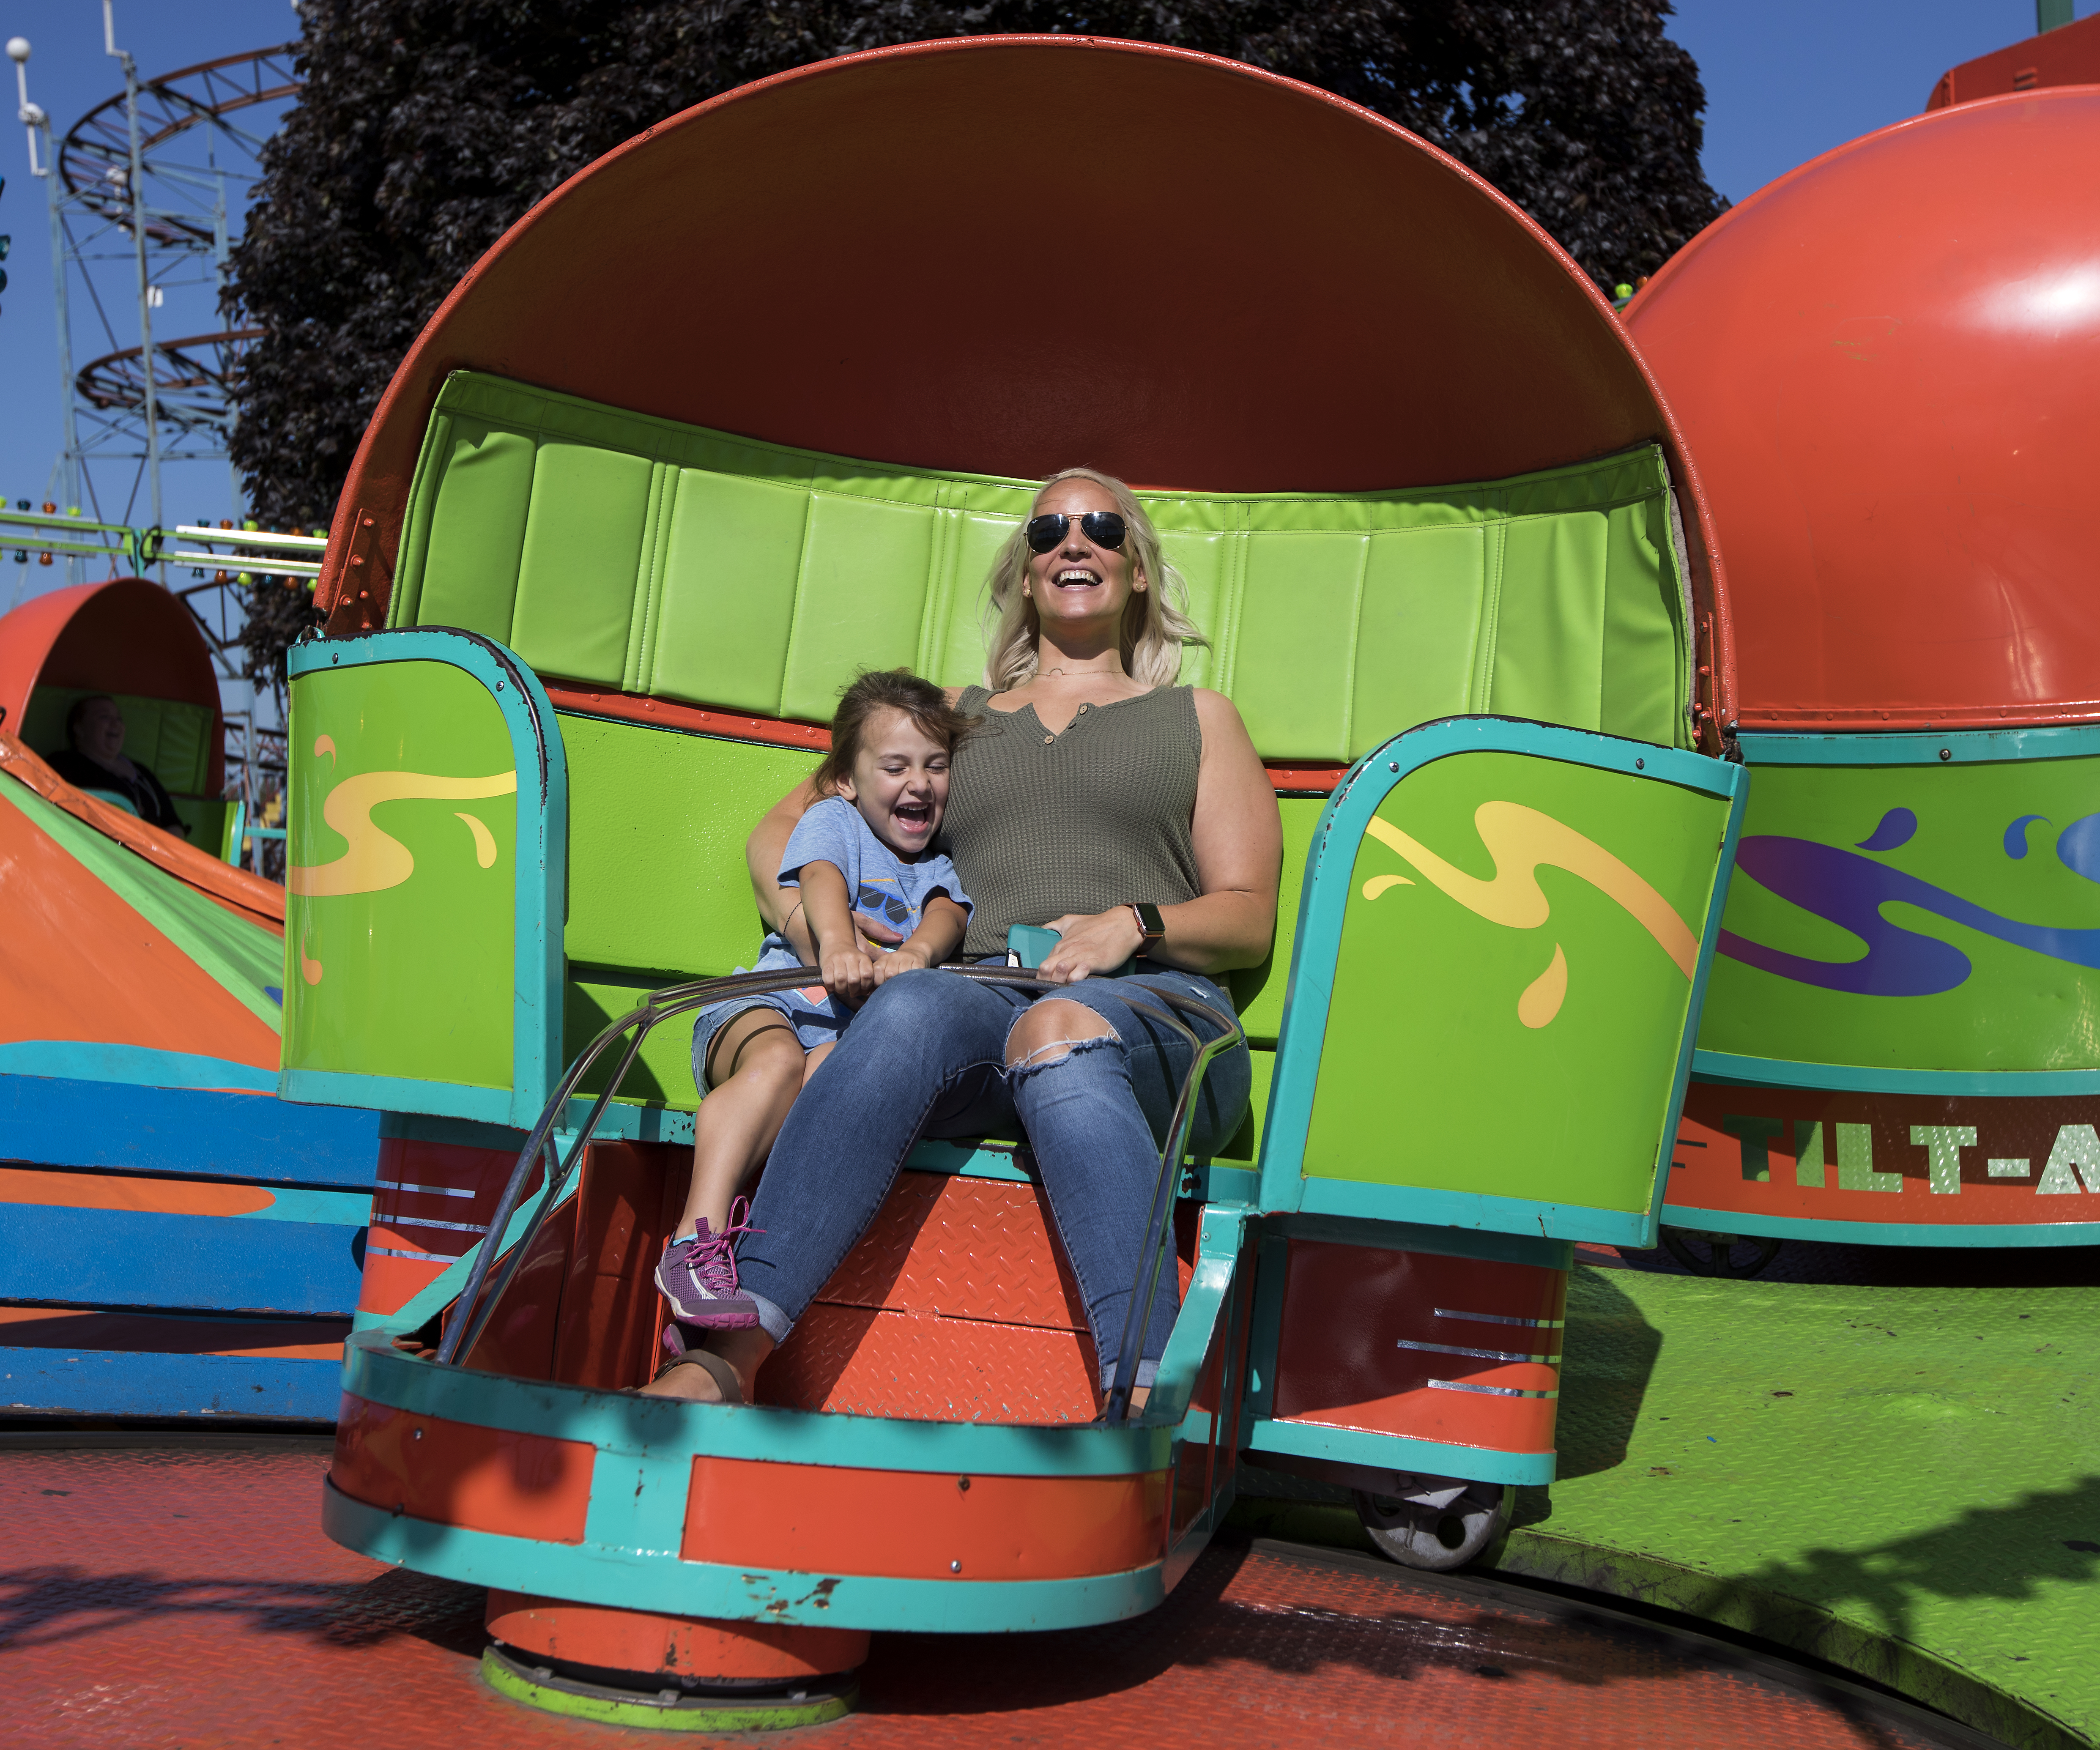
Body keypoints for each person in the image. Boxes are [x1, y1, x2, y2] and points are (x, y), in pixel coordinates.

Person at [643, 467, 1282, 1409]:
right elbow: (781, 835)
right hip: (982, 1001)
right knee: (908, 1005)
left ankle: (1141, 1393)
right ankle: (724, 1359)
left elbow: (1245, 915)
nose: (1074, 541)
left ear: (1136, 569)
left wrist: (1132, 922)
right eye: (1047, 531)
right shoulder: (953, 719)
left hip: (1155, 1011)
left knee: (1056, 1025)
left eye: (1101, 526)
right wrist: (824, 935)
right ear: (1025, 574)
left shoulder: (1193, 718)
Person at [651, 670, 973, 1358]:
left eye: (934, 766)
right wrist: (836, 942)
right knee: (776, 1063)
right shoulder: (837, 820)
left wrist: (917, 950)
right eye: (895, 766)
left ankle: (711, 1296)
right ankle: (693, 1237)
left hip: (840, 1037)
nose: (917, 782)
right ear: (849, 779)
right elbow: (821, 874)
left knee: (828, 1083)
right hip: (765, 1003)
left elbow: (948, 912)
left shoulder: (939, 864)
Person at [45, 694, 190, 835]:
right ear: (79, 729)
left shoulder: (142, 772)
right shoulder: (63, 764)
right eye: (104, 717)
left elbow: (173, 823)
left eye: (119, 718)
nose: (116, 724)